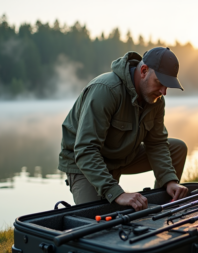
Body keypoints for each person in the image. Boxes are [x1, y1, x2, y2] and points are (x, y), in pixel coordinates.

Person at [58, 47, 188, 211]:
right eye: (160, 83)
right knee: (99, 220)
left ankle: (162, 205)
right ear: (143, 71)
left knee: (177, 148)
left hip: (122, 155)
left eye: (167, 86)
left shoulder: (156, 99)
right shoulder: (105, 90)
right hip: (83, 162)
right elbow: (86, 150)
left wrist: (170, 180)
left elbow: (156, 143)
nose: (164, 92)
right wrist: (117, 193)